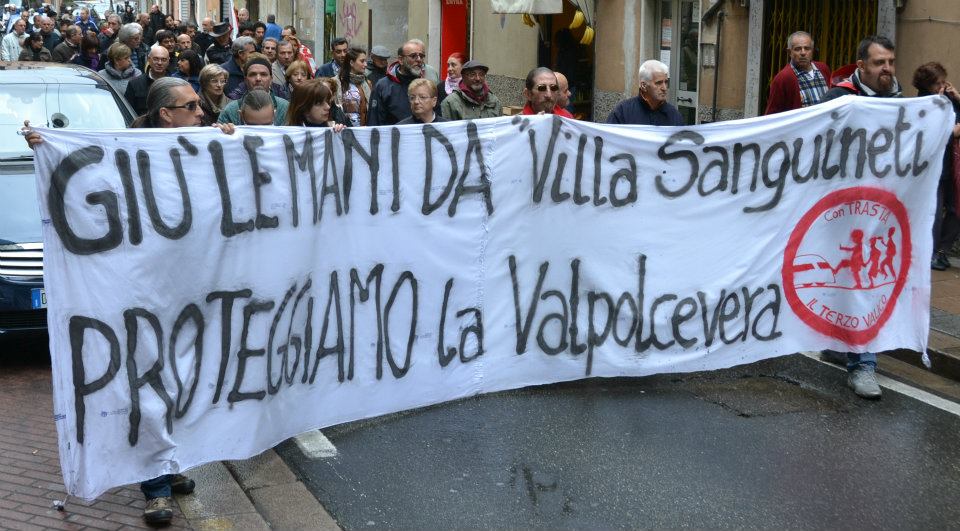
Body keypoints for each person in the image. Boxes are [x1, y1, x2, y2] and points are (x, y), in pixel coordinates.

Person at [820, 35, 902, 400]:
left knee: (867, 281)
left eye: (890, 62)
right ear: (861, 66)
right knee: (845, 279)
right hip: (843, 209)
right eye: (879, 62)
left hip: (881, 213)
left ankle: (860, 361)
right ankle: (850, 353)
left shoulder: (900, 102)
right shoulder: (838, 99)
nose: (887, 69)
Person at [913, 62, 960, 271]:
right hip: (935, 168)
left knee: (955, 208)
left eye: (944, 82)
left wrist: (957, 97)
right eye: (938, 83)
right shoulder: (923, 104)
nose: (943, 86)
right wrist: (952, 132)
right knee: (935, 209)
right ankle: (931, 253)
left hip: (953, 165)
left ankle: (943, 250)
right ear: (928, 85)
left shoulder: (949, 100)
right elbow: (927, 134)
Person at [368, 39, 434, 126]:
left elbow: (436, 119)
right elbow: (374, 122)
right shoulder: (383, 86)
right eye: (413, 56)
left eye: (421, 56)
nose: (419, 60)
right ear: (401, 60)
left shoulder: (427, 85)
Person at [765, 31, 831, 115]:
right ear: (789, 52)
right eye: (798, 49)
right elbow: (772, 114)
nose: (803, 53)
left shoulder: (823, 69)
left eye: (807, 48)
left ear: (812, 50)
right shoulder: (783, 78)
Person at [606, 60, 682, 125]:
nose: (664, 88)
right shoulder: (623, 112)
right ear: (643, 86)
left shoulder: (674, 115)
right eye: (658, 83)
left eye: (666, 82)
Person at [219, 57, 289, 125]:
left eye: (263, 74)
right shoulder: (231, 110)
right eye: (252, 74)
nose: (258, 79)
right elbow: (218, 131)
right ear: (245, 80)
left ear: (271, 79)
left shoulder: (285, 108)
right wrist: (223, 130)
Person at [125, 45, 171, 115]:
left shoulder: (176, 85)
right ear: (149, 59)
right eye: (155, 59)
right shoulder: (135, 84)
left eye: (163, 60)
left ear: (168, 61)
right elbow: (128, 112)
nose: (159, 63)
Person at [338, 45, 371, 126]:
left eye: (365, 61)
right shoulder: (337, 82)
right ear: (352, 63)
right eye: (362, 61)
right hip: (344, 129)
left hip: (365, 130)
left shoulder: (367, 83)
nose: (366, 64)